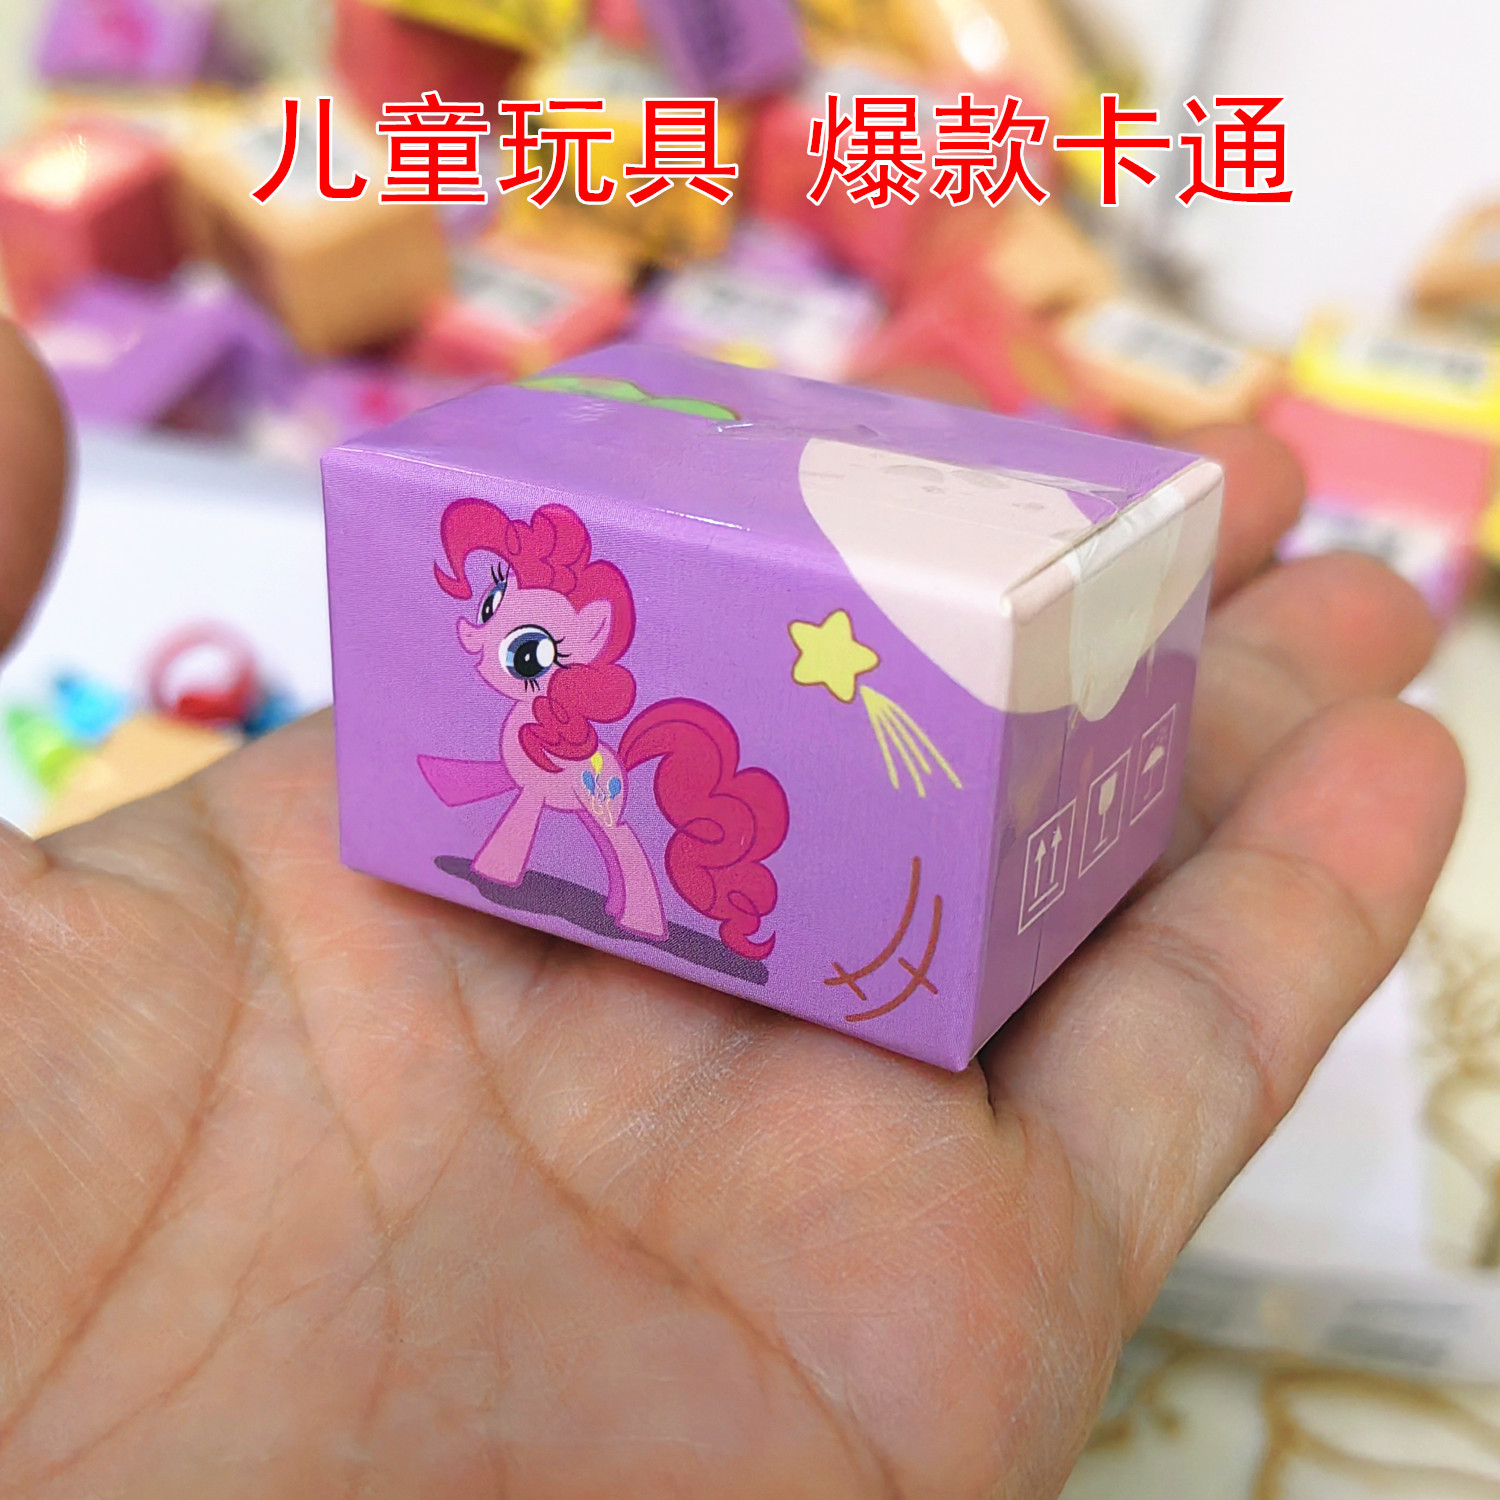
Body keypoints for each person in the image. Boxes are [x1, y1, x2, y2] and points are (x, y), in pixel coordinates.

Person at [0, 316, 1464, 1498]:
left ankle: (622, 880)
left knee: (600, 825)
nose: (490, 644)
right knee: (553, 816)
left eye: (516, 630)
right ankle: (569, 868)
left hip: (626, 751)